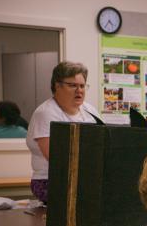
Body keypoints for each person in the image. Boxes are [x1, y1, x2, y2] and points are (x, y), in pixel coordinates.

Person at [26, 61, 98, 204]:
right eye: (72, 85)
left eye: (82, 86)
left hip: (86, 179)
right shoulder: (46, 113)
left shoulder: (90, 111)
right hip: (49, 180)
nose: (79, 90)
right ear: (57, 86)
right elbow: (56, 158)